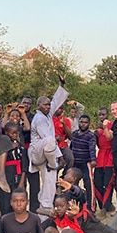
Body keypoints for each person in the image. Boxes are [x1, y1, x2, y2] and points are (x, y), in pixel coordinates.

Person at [56, 168, 117, 233]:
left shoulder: (79, 191)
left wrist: (72, 188)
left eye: (67, 174)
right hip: (71, 221)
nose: (65, 176)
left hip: (85, 222)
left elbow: (78, 193)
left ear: (73, 179)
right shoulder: (64, 192)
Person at [28, 76, 69, 221]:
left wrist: (61, 84)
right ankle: (53, 163)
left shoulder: (48, 113)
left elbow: (56, 101)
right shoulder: (39, 119)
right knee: (51, 139)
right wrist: (59, 157)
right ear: (38, 106)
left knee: (50, 185)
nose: (47, 106)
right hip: (37, 153)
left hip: (48, 155)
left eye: (48, 105)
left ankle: (43, 218)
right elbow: (47, 138)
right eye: (44, 105)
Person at [0, 122, 28, 216]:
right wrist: (10, 148)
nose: (15, 135)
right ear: (6, 133)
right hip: (6, 177)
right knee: (5, 201)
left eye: (16, 133)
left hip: (18, 177)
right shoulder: (1, 146)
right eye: (12, 133)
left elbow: (24, 165)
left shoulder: (21, 146)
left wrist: (21, 182)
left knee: (17, 199)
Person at [70, 114, 97, 209]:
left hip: (86, 164)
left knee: (89, 185)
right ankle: (75, 205)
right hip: (75, 163)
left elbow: (92, 148)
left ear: (89, 124)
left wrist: (93, 160)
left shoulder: (91, 136)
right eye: (81, 122)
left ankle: (91, 207)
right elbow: (71, 147)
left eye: (85, 122)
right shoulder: (74, 134)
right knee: (73, 185)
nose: (83, 124)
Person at [93, 107, 115, 220]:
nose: (101, 117)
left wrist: (104, 128)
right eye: (100, 115)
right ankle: (106, 205)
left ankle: (104, 209)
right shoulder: (98, 128)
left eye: (103, 114)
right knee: (96, 182)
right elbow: (98, 144)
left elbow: (109, 138)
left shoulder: (111, 125)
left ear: (108, 115)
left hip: (110, 157)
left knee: (108, 184)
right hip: (100, 156)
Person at [53, 104, 74, 176]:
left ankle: (64, 175)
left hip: (62, 145)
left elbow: (71, 137)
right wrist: (54, 138)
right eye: (58, 107)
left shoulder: (66, 120)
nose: (59, 110)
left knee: (70, 158)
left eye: (61, 108)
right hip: (52, 145)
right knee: (54, 164)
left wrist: (64, 124)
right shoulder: (49, 119)